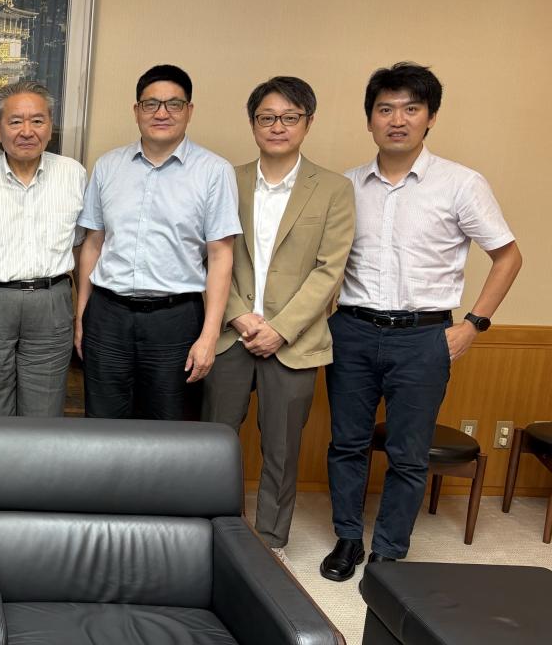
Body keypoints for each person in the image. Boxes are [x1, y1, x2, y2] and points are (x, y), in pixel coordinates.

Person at [319, 62, 522, 581]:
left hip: (423, 336)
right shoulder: (345, 186)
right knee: (347, 444)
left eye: (411, 108)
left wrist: (474, 324)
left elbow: (508, 256)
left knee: (408, 454)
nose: (397, 120)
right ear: (369, 119)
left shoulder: (460, 184)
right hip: (352, 330)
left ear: (430, 117)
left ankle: (389, 551)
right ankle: (348, 539)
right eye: (385, 109)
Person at [202, 76, 355, 559]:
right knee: (216, 444)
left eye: (290, 117)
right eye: (267, 117)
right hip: (231, 334)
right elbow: (207, 256)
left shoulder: (334, 189)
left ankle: (270, 544)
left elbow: (330, 270)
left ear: (308, 123)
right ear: (253, 124)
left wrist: (280, 329)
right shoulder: (225, 179)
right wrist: (239, 316)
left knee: (282, 450)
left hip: (295, 341)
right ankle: (217, 534)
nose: (278, 126)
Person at [75, 64, 241, 420]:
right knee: (102, 423)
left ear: (189, 110)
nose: (161, 113)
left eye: (173, 104)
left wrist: (209, 335)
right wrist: (82, 317)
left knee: (169, 427)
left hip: (175, 320)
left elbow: (220, 256)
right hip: (108, 316)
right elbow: (93, 244)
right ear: (136, 111)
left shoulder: (214, 171)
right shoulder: (108, 166)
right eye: (151, 104)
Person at [0, 80, 87, 416]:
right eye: (15, 121)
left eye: (37, 121)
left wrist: (82, 313)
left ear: (50, 126)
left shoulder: (73, 175)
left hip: (52, 301)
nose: (27, 131)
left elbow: (80, 246)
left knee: (44, 415)